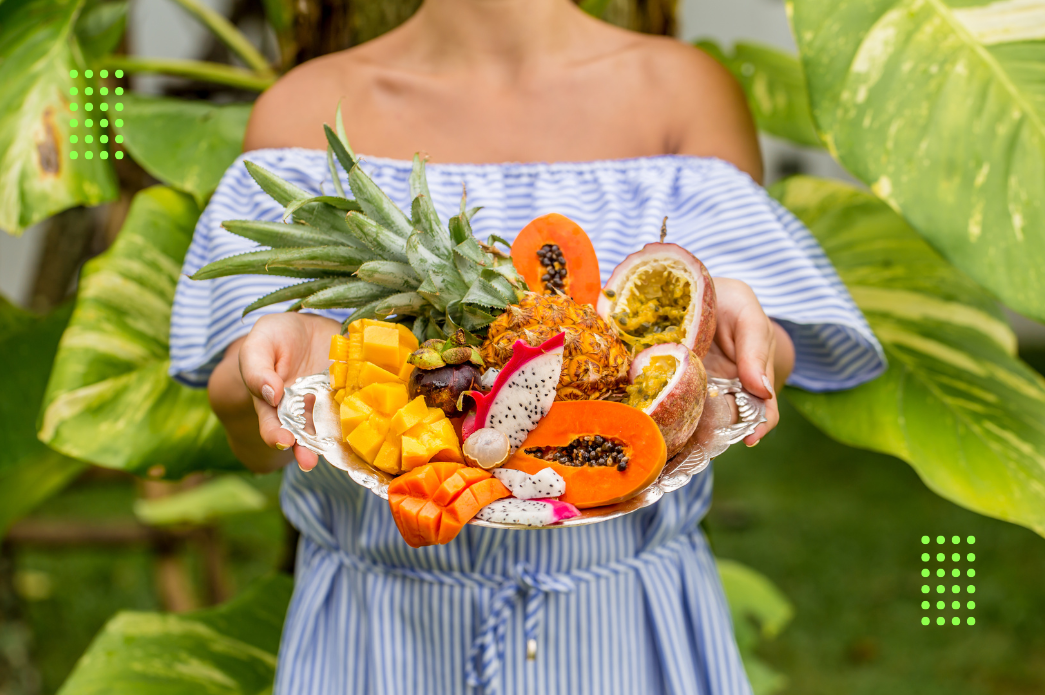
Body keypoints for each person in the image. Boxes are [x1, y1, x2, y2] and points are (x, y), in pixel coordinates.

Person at [170, 1, 885, 692]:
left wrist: (723, 333)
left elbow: (757, 357)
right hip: (382, 632)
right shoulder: (304, 113)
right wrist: (282, 361)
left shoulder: (681, 92)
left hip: (625, 627)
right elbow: (252, 432)